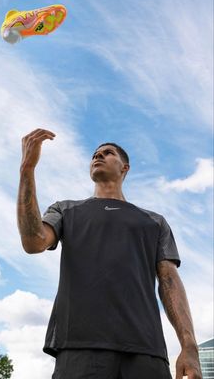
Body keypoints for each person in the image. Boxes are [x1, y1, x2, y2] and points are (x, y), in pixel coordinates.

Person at [17, 128, 202, 379]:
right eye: (95, 154)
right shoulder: (66, 210)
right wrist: (27, 170)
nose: (98, 156)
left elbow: (169, 281)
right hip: (79, 348)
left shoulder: (153, 222)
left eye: (108, 153)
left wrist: (189, 346)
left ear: (125, 168)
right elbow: (33, 241)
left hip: (146, 351)